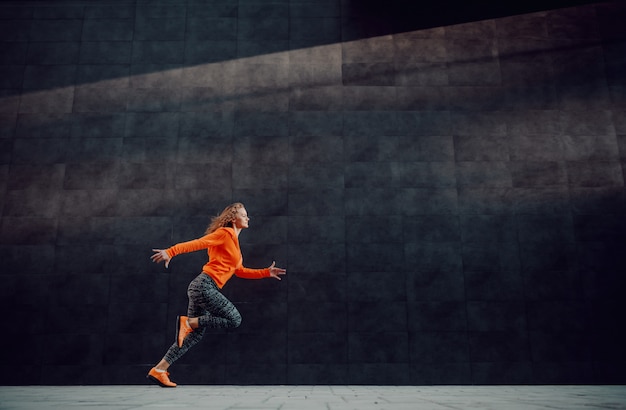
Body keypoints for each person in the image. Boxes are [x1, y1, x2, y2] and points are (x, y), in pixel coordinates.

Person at [146, 202, 286, 387]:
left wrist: (266, 273)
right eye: (244, 215)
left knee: (193, 336)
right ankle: (189, 322)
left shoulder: (234, 243)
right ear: (233, 218)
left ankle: (160, 369)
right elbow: (198, 243)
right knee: (234, 319)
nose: (247, 218)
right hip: (204, 286)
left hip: (201, 287)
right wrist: (171, 252)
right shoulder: (224, 234)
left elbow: (240, 270)